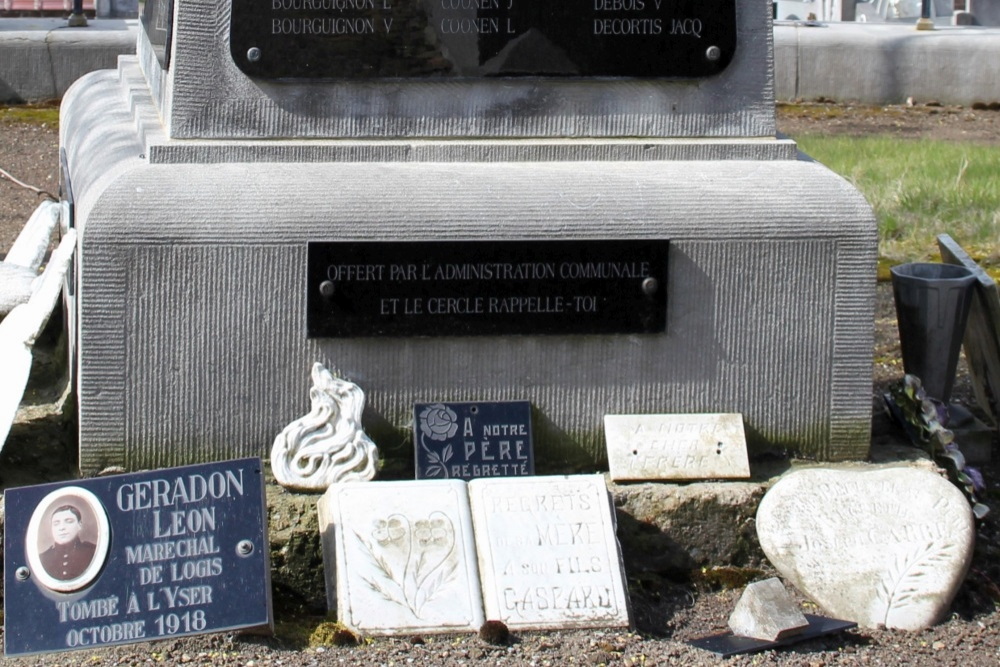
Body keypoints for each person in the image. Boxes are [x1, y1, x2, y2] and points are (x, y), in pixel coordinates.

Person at [39, 504, 96, 581]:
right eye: (56, 524)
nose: (62, 528)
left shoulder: (93, 552)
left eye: (69, 521)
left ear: (79, 525)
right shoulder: (43, 558)